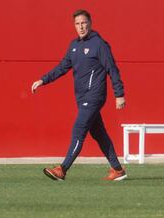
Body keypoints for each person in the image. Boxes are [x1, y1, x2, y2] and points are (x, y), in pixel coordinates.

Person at [31, 9, 127, 181]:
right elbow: (62, 67)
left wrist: (119, 94)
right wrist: (42, 80)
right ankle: (118, 170)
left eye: (83, 23)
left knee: (78, 130)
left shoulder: (99, 45)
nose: (81, 27)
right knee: (99, 133)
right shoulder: (74, 46)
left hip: (94, 96)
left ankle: (62, 169)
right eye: (77, 24)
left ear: (90, 23)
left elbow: (112, 69)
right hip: (82, 98)